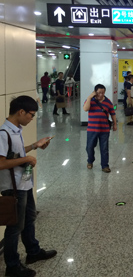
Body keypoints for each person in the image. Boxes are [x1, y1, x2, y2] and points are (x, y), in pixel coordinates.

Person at [0, 96, 57, 277]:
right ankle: (12, 266)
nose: (32, 119)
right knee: (14, 227)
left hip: (24, 183)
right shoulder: (3, 133)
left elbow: (14, 153)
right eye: (31, 115)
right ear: (21, 112)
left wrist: (34, 146)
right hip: (13, 187)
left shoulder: (16, 129)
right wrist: (27, 159)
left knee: (29, 218)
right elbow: (1, 163)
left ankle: (33, 251)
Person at [83, 84, 117, 173]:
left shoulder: (108, 102)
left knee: (104, 148)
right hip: (92, 129)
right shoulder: (90, 100)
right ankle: (90, 160)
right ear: (95, 92)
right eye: (99, 93)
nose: (101, 95)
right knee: (89, 147)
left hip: (104, 129)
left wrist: (115, 124)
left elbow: (113, 113)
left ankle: (105, 166)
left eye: (103, 93)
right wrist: (90, 97)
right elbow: (85, 109)